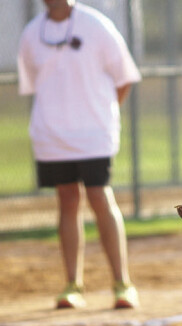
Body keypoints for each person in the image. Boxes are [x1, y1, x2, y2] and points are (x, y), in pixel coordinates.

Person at [17, 0, 140, 309]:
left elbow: (124, 77)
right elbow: (34, 84)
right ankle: (73, 285)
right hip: (51, 134)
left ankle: (122, 283)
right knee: (67, 199)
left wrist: (102, 114)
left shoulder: (96, 25)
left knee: (99, 196)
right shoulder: (32, 33)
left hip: (94, 135)